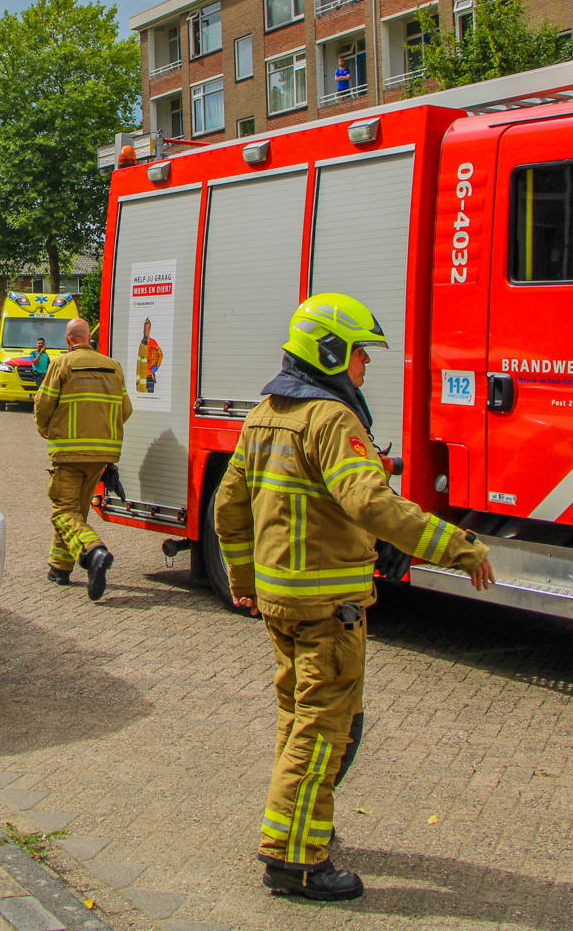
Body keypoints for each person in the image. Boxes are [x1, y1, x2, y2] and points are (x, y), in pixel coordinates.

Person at [213, 293, 495, 902]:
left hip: (281, 603)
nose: (366, 363)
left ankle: (300, 825)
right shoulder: (332, 420)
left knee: (299, 722)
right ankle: (293, 861)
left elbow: (228, 507)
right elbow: (367, 501)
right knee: (324, 732)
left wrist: (244, 581)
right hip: (327, 608)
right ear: (331, 353)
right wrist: (456, 545)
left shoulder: (263, 413)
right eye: (361, 353)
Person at [33, 318, 131, 600]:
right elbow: (125, 409)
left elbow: (44, 405)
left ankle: (93, 553)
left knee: (63, 511)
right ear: (89, 338)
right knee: (76, 511)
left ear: (68, 340)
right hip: (101, 456)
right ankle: (60, 567)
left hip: (69, 454)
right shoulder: (113, 367)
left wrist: (44, 429)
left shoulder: (61, 364)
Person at [138, 319, 163, 394]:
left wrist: (156, 366)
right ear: (143, 329)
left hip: (150, 376)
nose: (146, 330)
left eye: (148, 328)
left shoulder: (152, 342)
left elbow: (161, 354)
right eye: (145, 328)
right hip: (141, 376)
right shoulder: (141, 343)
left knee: (150, 395)